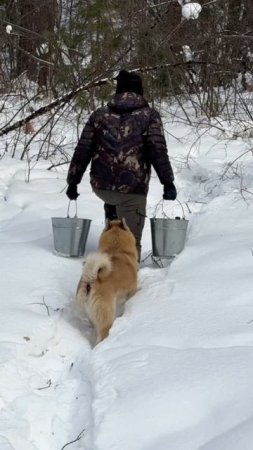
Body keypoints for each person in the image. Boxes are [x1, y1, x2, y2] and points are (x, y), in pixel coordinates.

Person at [66, 69, 177, 261]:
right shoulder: (149, 116)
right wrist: (168, 182)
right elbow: (157, 151)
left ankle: (107, 254)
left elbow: (83, 150)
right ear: (140, 91)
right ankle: (126, 284)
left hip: (102, 187)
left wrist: (73, 182)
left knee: (114, 233)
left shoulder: (99, 115)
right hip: (132, 191)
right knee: (130, 245)